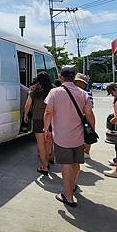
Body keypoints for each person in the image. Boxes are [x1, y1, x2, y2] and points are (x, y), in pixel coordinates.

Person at [43, 66, 95, 207]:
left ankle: (68, 196)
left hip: (61, 137)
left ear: (61, 77)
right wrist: (92, 132)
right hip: (78, 137)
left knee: (66, 165)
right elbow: (90, 114)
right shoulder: (83, 93)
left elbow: (48, 112)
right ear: (73, 78)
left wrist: (46, 129)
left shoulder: (55, 92)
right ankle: (72, 186)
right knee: (76, 163)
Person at [24, 71, 53, 175]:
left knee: (40, 144)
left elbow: (28, 105)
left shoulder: (34, 90)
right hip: (50, 119)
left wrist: (25, 115)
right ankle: (49, 158)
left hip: (38, 119)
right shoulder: (53, 90)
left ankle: (45, 166)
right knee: (48, 141)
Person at [74, 73, 94, 159]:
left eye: (80, 82)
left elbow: (90, 107)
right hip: (78, 116)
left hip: (85, 116)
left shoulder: (86, 92)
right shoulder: (75, 90)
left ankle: (86, 151)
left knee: (88, 133)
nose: (78, 83)